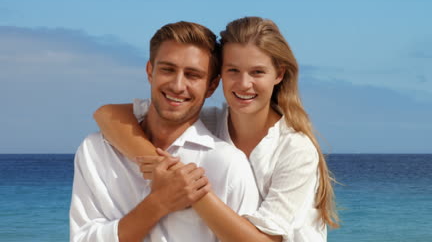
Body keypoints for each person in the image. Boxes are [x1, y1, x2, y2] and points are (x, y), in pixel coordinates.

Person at [94, 16, 339, 242]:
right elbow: (107, 115)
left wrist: (189, 189)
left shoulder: (294, 149)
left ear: (279, 74)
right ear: (218, 76)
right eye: (233, 70)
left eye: (257, 72)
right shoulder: (206, 124)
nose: (244, 84)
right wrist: (158, 165)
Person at [69, 21, 260, 242]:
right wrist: (160, 202)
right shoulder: (96, 151)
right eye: (168, 70)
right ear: (150, 71)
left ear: (211, 86)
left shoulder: (228, 164)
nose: (178, 85)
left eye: (192, 75)